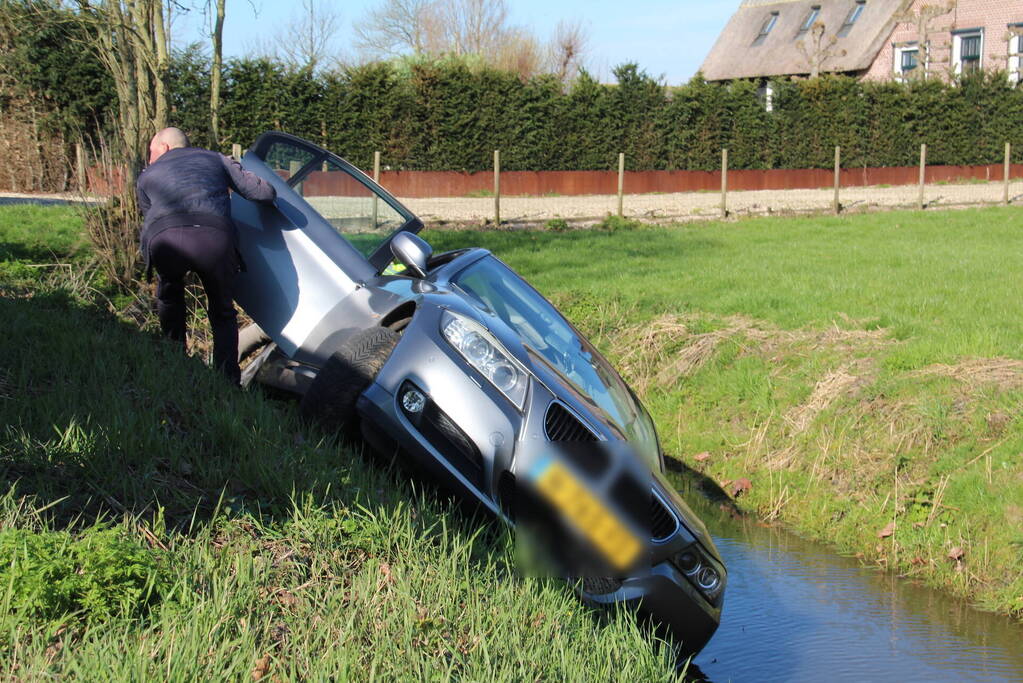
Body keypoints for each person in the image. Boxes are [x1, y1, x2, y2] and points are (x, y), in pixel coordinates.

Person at [136, 127, 277, 385]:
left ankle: (174, 366)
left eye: (151, 150)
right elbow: (262, 193)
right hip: (213, 239)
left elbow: (149, 215)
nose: (150, 157)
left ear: (164, 147)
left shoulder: (147, 175)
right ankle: (226, 382)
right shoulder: (216, 159)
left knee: (170, 297)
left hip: (164, 239)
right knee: (222, 312)